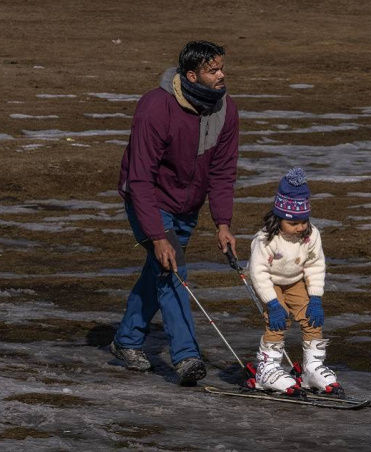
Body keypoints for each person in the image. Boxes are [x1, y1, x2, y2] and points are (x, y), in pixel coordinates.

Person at [111, 40, 239, 386]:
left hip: (187, 206)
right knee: (173, 271)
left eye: (222, 67)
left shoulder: (226, 109)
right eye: (214, 70)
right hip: (148, 200)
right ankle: (186, 357)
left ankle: (126, 340)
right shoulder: (155, 108)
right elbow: (139, 178)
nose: (222, 75)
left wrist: (222, 223)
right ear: (192, 75)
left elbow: (223, 172)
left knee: (159, 270)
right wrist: (155, 234)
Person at [247, 167, 341, 395]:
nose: (300, 227)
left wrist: (316, 297)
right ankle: (267, 369)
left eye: (304, 221)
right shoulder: (266, 239)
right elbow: (258, 272)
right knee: (278, 321)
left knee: (312, 318)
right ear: (280, 218)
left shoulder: (311, 235)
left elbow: (315, 265)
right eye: (294, 223)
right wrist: (272, 303)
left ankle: (312, 368)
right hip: (270, 283)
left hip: (296, 281)